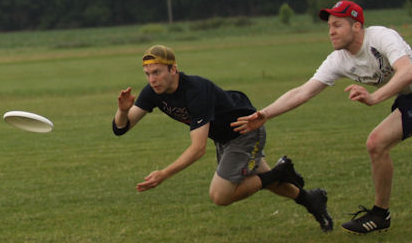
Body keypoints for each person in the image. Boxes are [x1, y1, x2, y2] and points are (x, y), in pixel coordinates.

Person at [234, 0, 412, 235]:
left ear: (357, 26)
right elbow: (303, 92)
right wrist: (265, 114)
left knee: (376, 143)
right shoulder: (338, 60)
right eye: (329, 26)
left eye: (337, 25)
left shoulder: (381, 37)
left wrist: (374, 97)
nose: (331, 31)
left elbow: (408, 72)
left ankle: (380, 214)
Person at [113, 44, 333, 231]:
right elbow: (121, 128)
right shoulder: (153, 92)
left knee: (220, 195)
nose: (152, 79)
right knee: (266, 181)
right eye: (148, 74)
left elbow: (198, 148)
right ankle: (310, 199)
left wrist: (164, 173)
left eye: (157, 72)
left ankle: (281, 171)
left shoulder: (196, 91)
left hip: (245, 131)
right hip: (224, 138)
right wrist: (123, 111)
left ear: (173, 69)